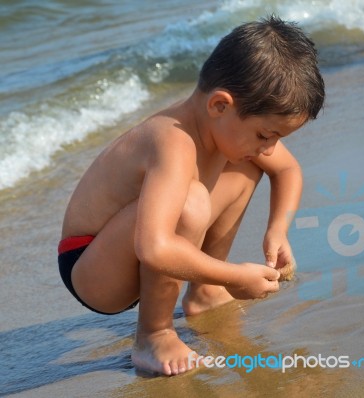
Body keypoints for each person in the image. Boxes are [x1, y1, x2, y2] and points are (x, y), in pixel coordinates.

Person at [58, 15, 325, 376]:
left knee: (247, 164)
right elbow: (154, 247)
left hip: (143, 244)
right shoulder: (173, 142)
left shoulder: (225, 129)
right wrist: (232, 275)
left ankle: (203, 293)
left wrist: (277, 231)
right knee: (191, 202)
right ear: (220, 105)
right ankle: (154, 334)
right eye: (265, 135)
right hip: (93, 268)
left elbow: (288, 170)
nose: (269, 147)